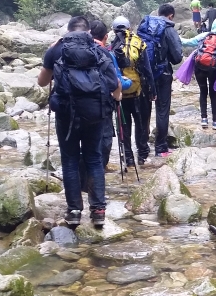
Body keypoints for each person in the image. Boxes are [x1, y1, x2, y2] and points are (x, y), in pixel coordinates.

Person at [37, 16, 122, 227]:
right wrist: (116, 99)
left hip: (66, 114)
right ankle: (98, 210)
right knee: (94, 159)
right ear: (88, 33)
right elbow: (115, 86)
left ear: (67, 31)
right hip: (95, 114)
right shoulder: (99, 50)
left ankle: (74, 211)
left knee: (70, 160)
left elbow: (42, 82)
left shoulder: (57, 49)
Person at [110, 16, 156, 168]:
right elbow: (147, 70)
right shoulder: (139, 43)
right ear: (129, 28)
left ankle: (128, 158)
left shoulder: (113, 45)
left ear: (114, 29)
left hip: (120, 92)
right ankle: (142, 155)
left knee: (124, 126)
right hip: (139, 91)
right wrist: (152, 90)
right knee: (141, 124)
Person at [90, 20, 132, 174]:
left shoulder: (77, 52)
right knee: (104, 138)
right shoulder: (106, 53)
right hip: (102, 104)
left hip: (79, 105)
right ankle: (99, 171)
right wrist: (128, 82)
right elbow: (116, 82)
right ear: (106, 36)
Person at [181, 18, 216, 129]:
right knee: (213, 94)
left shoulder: (204, 35)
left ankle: (204, 119)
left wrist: (176, 38)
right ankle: (215, 122)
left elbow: (187, 42)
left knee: (203, 92)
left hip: (200, 68)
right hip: (213, 70)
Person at [152, 3, 183, 157]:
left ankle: (141, 150)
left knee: (143, 112)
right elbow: (177, 57)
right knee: (162, 110)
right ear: (170, 15)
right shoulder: (169, 29)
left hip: (145, 74)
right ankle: (161, 147)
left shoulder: (147, 27)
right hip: (163, 74)